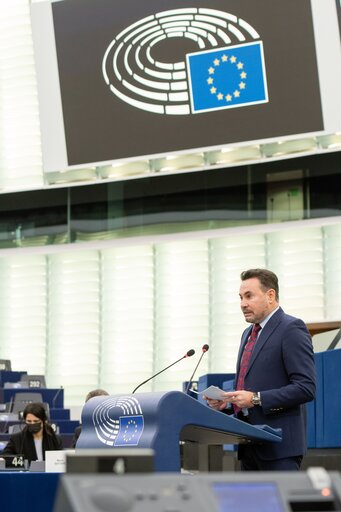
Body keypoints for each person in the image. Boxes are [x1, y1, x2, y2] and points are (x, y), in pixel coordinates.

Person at [205, 268, 316, 471]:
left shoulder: (291, 328)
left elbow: (306, 388)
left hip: (280, 448)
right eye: (240, 297)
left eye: (249, 296)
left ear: (270, 295)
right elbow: (249, 389)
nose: (242, 304)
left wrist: (255, 398)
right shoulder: (247, 334)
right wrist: (228, 404)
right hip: (248, 445)